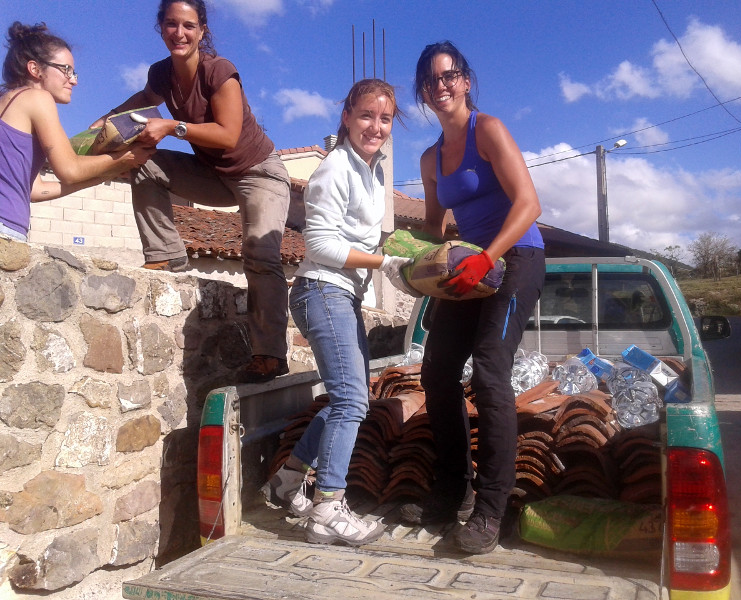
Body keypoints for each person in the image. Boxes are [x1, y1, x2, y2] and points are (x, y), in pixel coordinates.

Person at [91, 0, 291, 383]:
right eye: (171, 24)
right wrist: (100, 125)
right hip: (214, 174)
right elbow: (135, 105)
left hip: (258, 174)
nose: (178, 33)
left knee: (260, 254)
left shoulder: (219, 71)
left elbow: (228, 134)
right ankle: (166, 256)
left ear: (202, 31)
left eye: (188, 26)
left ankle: (270, 355)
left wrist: (171, 127)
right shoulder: (161, 74)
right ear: (161, 28)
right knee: (143, 162)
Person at [398, 41, 546, 555]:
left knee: (488, 369)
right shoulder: (429, 157)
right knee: (437, 371)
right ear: (423, 93)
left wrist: (488, 257)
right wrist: (408, 257)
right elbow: (436, 226)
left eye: (448, 76)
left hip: (517, 256)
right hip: (472, 266)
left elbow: (529, 204)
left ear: (464, 81)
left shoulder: (490, 129)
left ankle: (491, 507)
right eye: (430, 80)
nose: (440, 86)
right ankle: (450, 489)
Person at [263, 78, 410, 546]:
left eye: (384, 119)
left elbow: (361, 238)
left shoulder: (374, 170)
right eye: (366, 115)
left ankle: (287, 481)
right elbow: (321, 245)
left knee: (352, 399)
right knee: (350, 401)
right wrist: (385, 263)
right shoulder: (335, 169)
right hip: (322, 290)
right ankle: (327, 507)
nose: (376, 126)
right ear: (346, 117)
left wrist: (403, 254)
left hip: (341, 294)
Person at [0, 22, 153, 242]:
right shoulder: (37, 98)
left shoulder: (9, 103)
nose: (74, 80)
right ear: (34, 69)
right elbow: (69, 169)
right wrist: (125, 158)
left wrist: (104, 175)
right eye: (66, 70)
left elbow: (34, 190)